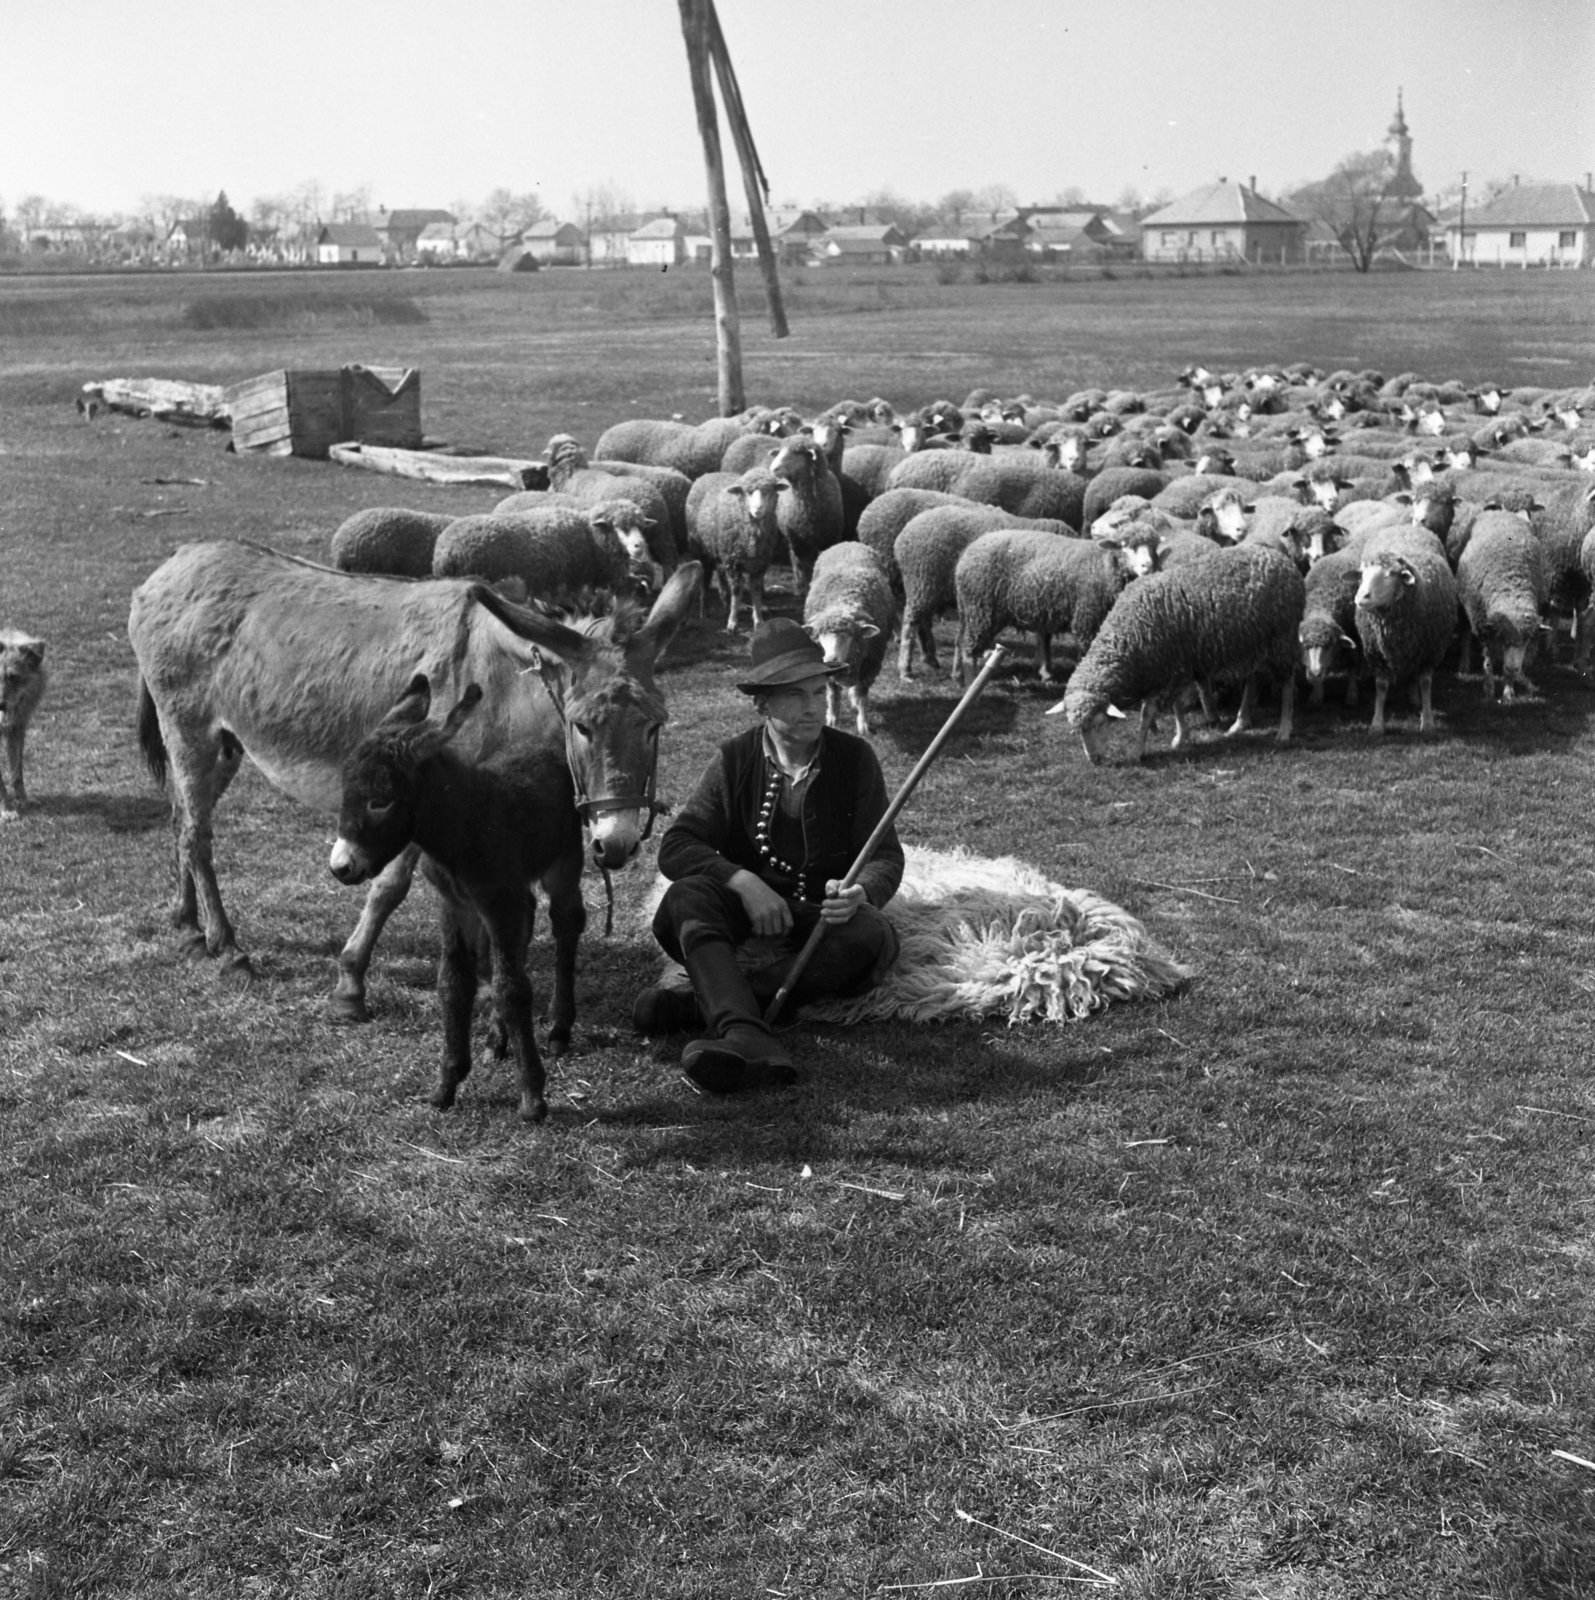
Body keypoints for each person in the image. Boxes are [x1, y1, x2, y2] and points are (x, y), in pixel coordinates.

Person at [634, 617, 902, 1094]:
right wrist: (742, 882)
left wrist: (861, 891)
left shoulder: (855, 758)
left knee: (871, 935)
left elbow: (885, 855)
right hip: (745, 912)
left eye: (819, 693)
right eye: (796, 695)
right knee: (684, 900)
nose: (813, 707)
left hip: (825, 921)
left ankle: (718, 1018)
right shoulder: (735, 759)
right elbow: (677, 845)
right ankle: (748, 1033)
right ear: (762, 703)